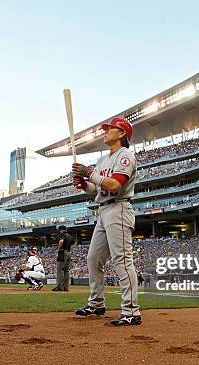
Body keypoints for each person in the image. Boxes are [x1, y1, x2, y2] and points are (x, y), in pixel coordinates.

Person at [72, 117, 141, 326]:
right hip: (103, 211)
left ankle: (131, 311)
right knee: (93, 259)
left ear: (121, 133)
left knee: (121, 260)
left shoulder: (125, 156)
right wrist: (84, 184)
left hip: (119, 207)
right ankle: (97, 304)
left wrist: (89, 174)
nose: (105, 131)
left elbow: (114, 185)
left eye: (109, 129)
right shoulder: (103, 160)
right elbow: (96, 188)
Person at [53, 225, 74, 291]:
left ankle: (59, 287)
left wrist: (59, 248)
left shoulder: (62, 235)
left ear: (60, 230)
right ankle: (65, 287)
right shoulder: (69, 236)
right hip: (69, 253)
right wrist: (69, 249)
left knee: (60, 269)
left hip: (62, 252)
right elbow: (73, 243)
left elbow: (61, 241)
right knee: (66, 270)